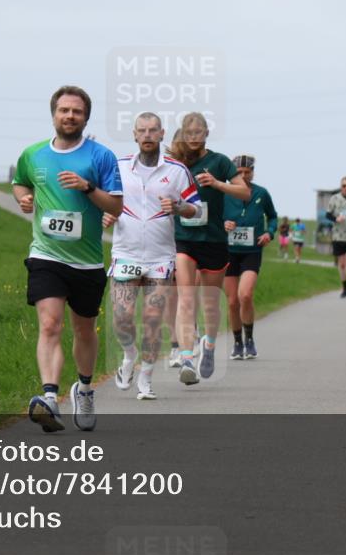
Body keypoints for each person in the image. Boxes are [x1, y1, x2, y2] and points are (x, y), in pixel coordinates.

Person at [12, 85, 123, 432]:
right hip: (46, 255)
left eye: (76, 111)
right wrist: (24, 198)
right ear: (54, 114)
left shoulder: (101, 157)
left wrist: (88, 188)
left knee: (84, 329)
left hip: (87, 261)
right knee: (49, 324)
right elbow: (20, 181)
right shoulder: (33, 154)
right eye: (64, 110)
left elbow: (116, 206)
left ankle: (85, 388)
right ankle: (48, 396)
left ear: (85, 117)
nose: (70, 116)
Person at [104, 113, 199, 400]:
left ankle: (145, 380)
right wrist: (105, 213)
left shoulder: (178, 170)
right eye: (142, 130)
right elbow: (103, 199)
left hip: (160, 257)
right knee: (121, 318)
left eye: (153, 130)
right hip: (126, 252)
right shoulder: (118, 167)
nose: (147, 135)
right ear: (134, 135)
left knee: (154, 319)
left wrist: (179, 206)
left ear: (162, 134)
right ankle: (129, 354)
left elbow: (198, 209)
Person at [170, 112, 250, 384]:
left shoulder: (219, 161)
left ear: (206, 133)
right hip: (184, 238)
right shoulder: (176, 161)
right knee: (186, 297)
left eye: (198, 132)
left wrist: (217, 184)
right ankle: (186, 358)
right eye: (188, 132)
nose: (193, 137)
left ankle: (210, 346)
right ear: (183, 133)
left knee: (210, 304)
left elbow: (244, 192)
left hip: (214, 240)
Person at [223, 155, 276, 360]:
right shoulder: (225, 193)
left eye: (248, 172)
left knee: (245, 295)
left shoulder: (261, 193)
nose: (244, 176)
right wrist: (224, 224)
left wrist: (269, 233)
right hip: (228, 252)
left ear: (253, 172)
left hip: (252, 251)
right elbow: (214, 217)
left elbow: (272, 216)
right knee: (232, 301)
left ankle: (250, 339)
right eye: (240, 173)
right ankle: (237, 343)